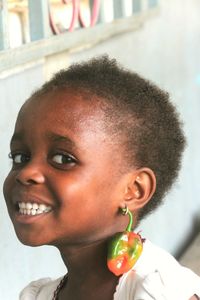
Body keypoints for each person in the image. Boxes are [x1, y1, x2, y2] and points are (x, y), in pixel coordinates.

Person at [3, 56, 200, 300]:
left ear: (133, 190)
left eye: (63, 159)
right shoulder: (37, 296)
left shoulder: (160, 293)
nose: (26, 173)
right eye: (20, 157)